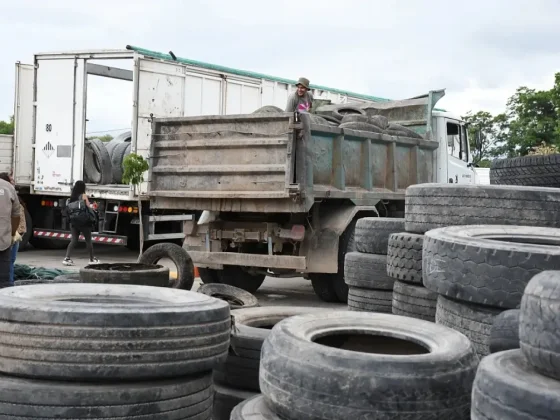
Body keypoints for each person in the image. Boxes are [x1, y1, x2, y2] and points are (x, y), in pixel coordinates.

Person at [63, 180, 100, 266]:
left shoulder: (71, 198)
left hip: (74, 222)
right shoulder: (83, 196)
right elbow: (89, 206)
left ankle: (67, 258)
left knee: (74, 240)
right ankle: (91, 259)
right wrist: (94, 206)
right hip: (83, 221)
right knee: (88, 240)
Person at [0, 173, 26, 285]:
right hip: (3, 240)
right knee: (4, 280)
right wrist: (11, 235)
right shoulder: (8, 188)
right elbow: (16, 214)